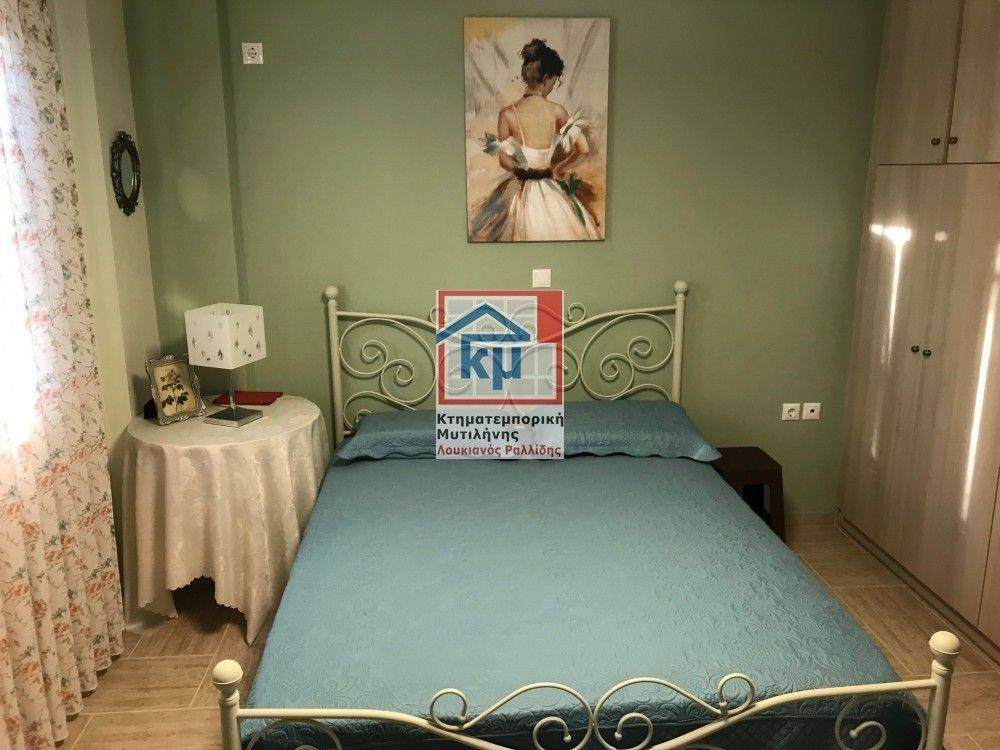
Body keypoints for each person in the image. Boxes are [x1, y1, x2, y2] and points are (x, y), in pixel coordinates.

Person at [469, 38, 600, 242]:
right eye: (554, 82)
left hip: (518, 190)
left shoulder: (507, 114)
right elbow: (583, 149)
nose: (553, 86)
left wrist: (520, 170)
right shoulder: (556, 111)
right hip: (549, 189)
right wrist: (558, 169)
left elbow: (504, 160)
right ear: (546, 78)